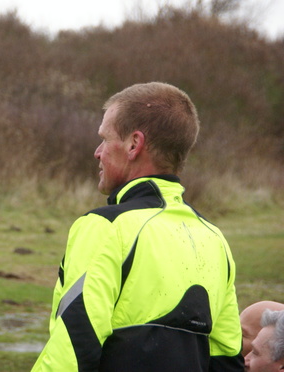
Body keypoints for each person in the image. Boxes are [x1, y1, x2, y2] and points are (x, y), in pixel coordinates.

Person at [31, 82, 243, 371]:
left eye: (105, 139)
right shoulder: (215, 240)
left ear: (134, 144)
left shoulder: (106, 227)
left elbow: (73, 350)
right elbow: (227, 360)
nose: (97, 152)